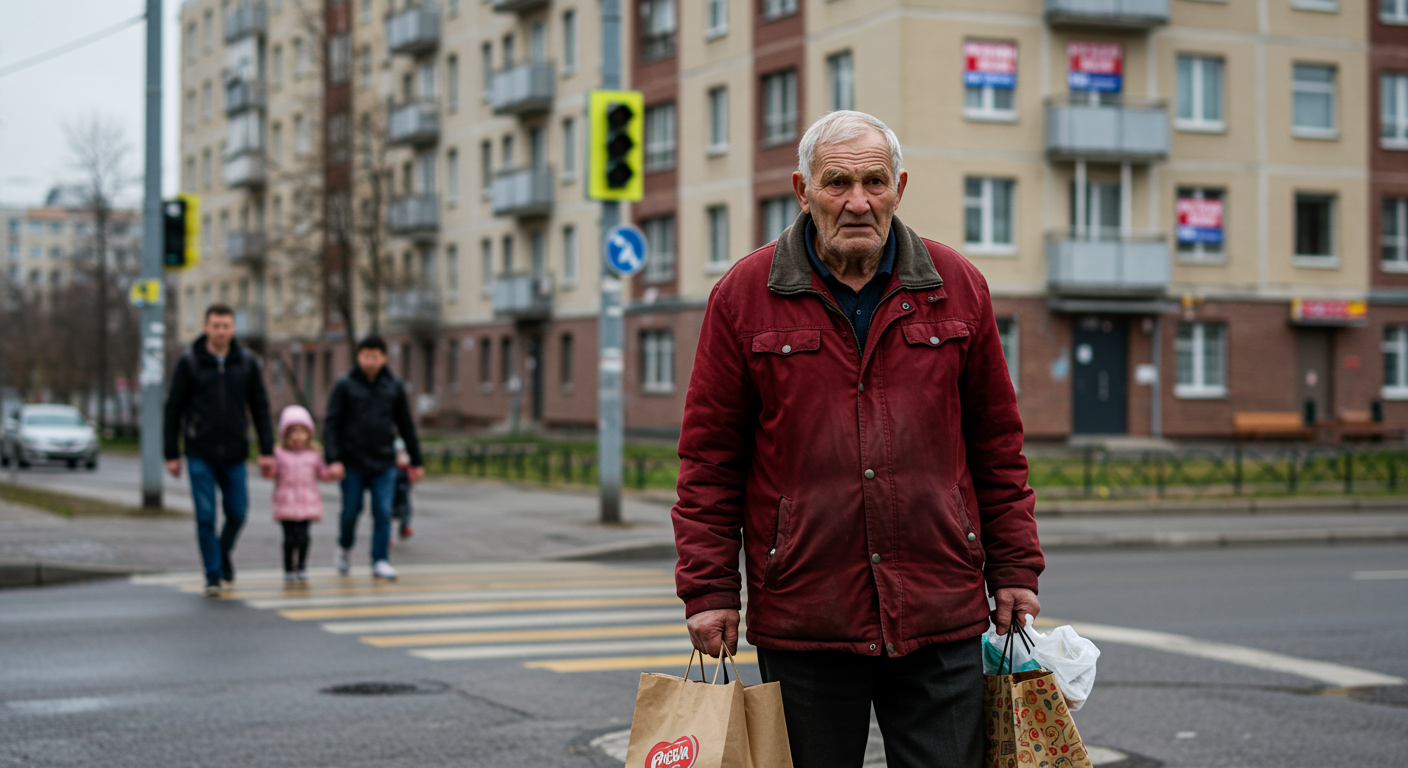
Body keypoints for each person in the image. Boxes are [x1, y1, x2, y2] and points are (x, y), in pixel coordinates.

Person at [672, 111, 1045, 768]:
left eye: (875, 182)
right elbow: (710, 460)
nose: (858, 201)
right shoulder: (744, 295)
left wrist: (1015, 570)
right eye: (837, 182)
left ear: (899, 186)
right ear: (802, 190)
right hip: (807, 615)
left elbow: (996, 445)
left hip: (941, 608)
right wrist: (708, 591)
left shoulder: (957, 287)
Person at [164, 304, 275, 597]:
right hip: (200, 451)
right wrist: (171, 453)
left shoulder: (247, 362)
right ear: (205, 327)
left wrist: (267, 449)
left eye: (226, 326)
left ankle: (221, 553)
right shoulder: (190, 362)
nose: (221, 331)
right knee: (205, 516)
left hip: (236, 452)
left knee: (238, 513)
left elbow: (261, 407)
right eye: (216, 326)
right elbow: (173, 409)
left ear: (233, 328)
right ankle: (213, 574)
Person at [324, 335, 424, 580]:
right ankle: (345, 547)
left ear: (384, 358)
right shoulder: (345, 384)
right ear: (358, 357)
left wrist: (416, 460)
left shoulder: (393, 385)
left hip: (383, 462)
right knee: (350, 512)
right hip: (352, 462)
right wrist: (333, 458)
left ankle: (380, 560)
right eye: (365, 356)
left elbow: (406, 425)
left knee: (383, 511)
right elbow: (331, 424)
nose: (369, 361)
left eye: (374, 357)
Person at [269, 405, 336, 585]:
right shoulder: (279, 453)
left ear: (308, 434)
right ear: (285, 434)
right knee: (289, 538)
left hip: (307, 501)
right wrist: (267, 466)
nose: (298, 437)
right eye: (293, 432)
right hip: (286, 502)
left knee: (304, 537)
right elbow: (271, 472)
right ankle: (288, 568)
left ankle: (302, 567)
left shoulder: (314, 454)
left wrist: (332, 473)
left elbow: (322, 474)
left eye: (301, 432)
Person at [391, 438, 414, 540]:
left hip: (403, 487)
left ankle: (404, 527)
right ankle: (388, 536)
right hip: (391, 488)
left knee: (406, 509)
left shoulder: (405, 465)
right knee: (387, 511)